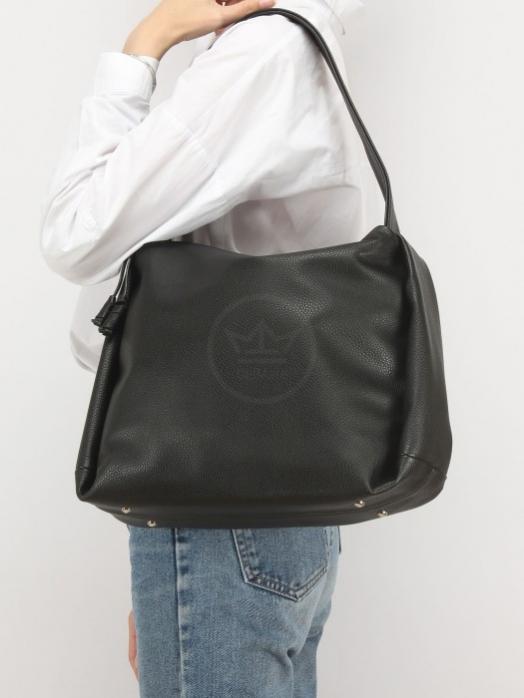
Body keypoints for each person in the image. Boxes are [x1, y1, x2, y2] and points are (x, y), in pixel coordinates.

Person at [40, 0, 367, 695]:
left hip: (221, 514)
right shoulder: (299, 38)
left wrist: (147, 40)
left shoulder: (261, 53)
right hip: (274, 497)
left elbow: (74, 230)